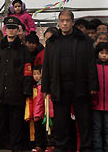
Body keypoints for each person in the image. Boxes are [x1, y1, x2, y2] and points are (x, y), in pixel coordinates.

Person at [41, 10, 98, 152]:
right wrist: (45, 88)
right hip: (59, 87)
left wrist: (93, 85)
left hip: (81, 86)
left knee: (84, 122)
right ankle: (61, 147)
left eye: (67, 20)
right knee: (61, 122)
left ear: (73, 22)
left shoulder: (84, 40)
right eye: (62, 20)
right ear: (59, 22)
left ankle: (86, 148)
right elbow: (46, 66)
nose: (65, 23)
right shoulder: (52, 41)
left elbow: (91, 65)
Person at [0, 16, 33, 152]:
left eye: (13, 28)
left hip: (17, 92)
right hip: (1, 91)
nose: (11, 30)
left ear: (18, 29)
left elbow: (28, 71)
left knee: (16, 124)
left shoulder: (23, 49)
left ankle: (16, 148)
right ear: (5, 29)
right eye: (9, 28)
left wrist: (26, 90)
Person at [31, 65, 55, 152]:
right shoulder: (35, 86)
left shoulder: (43, 86)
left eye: (38, 74)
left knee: (49, 130)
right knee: (40, 131)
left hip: (46, 112)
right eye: (34, 74)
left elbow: (40, 102)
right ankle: (41, 145)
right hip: (39, 112)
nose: (36, 76)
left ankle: (50, 145)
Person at [93, 42, 108, 152]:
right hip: (96, 104)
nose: (104, 55)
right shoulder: (93, 67)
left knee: (107, 129)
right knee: (97, 129)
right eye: (101, 53)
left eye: (106, 53)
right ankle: (98, 149)